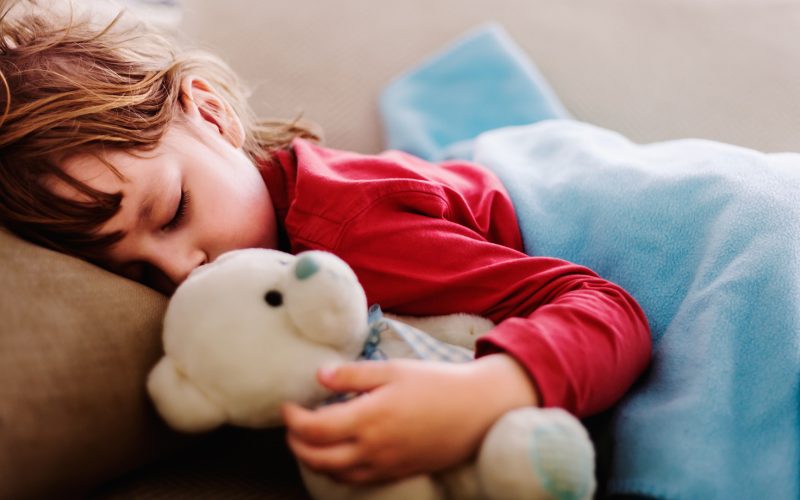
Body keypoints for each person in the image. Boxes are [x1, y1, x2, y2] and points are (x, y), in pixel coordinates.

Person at [0, 0, 651, 485]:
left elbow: (605, 309)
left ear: (212, 114)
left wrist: (488, 391)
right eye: (139, 275)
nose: (183, 272)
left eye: (172, 211)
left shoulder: (351, 227)